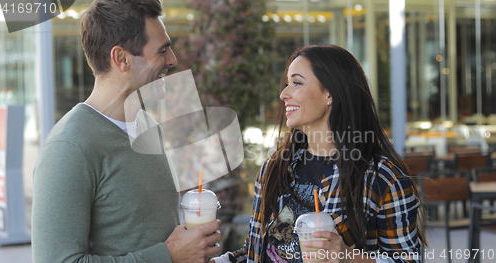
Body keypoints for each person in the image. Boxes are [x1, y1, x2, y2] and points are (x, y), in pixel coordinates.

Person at [31, 0, 221, 262]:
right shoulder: (69, 147)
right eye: (162, 50)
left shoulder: (149, 129)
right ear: (121, 58)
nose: (173, 59)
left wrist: (190, 249)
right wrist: (169, 255)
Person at [212, 45, 426, 263]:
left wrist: (348, 258)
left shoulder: (382, 178)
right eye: (287, 84)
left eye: (297, 83)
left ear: (330, 93)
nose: (284, 94)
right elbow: (255, 253)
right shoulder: (274, 169)